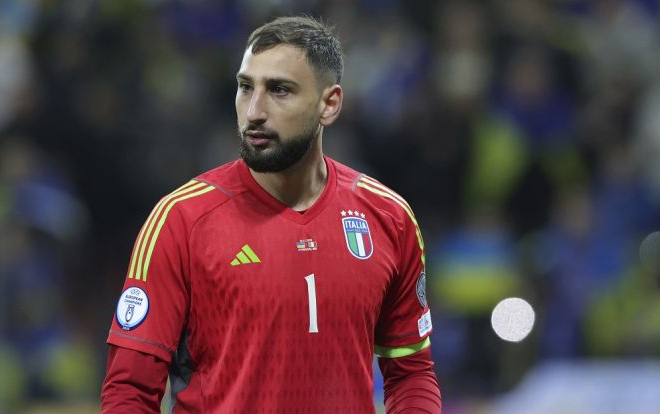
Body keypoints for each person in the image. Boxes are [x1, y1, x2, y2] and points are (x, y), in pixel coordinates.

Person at [101, 16, 441, 413]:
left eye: (279, 90)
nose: (254, 111)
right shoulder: (181, 220)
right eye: (246, 87)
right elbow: (129, 391)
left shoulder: (388, 218)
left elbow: (411, 374)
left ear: (329, 104)